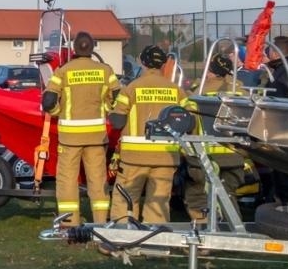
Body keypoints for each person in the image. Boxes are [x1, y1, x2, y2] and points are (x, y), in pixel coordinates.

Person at [40, 31, 120, 226]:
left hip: (70, 139)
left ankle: (70, 224)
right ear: (92, 48)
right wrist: (106, 108)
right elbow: (117, 99)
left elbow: (48, 101)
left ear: (74, 48)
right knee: (98, 182)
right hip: (96, 138)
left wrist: (59, 112)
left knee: (67, 182)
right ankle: (101, 223)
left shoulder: (63, 71)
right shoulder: (105, 71)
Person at [109, 46, 194, 224]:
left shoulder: (131, 88)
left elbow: (117, 121)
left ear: (142, 62)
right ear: (163, 64)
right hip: (166, 156)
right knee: (158, 204)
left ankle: (122, 236)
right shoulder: (177, 90)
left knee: (125, 199)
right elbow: (190, 121)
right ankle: (156, 236)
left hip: (134, 156)